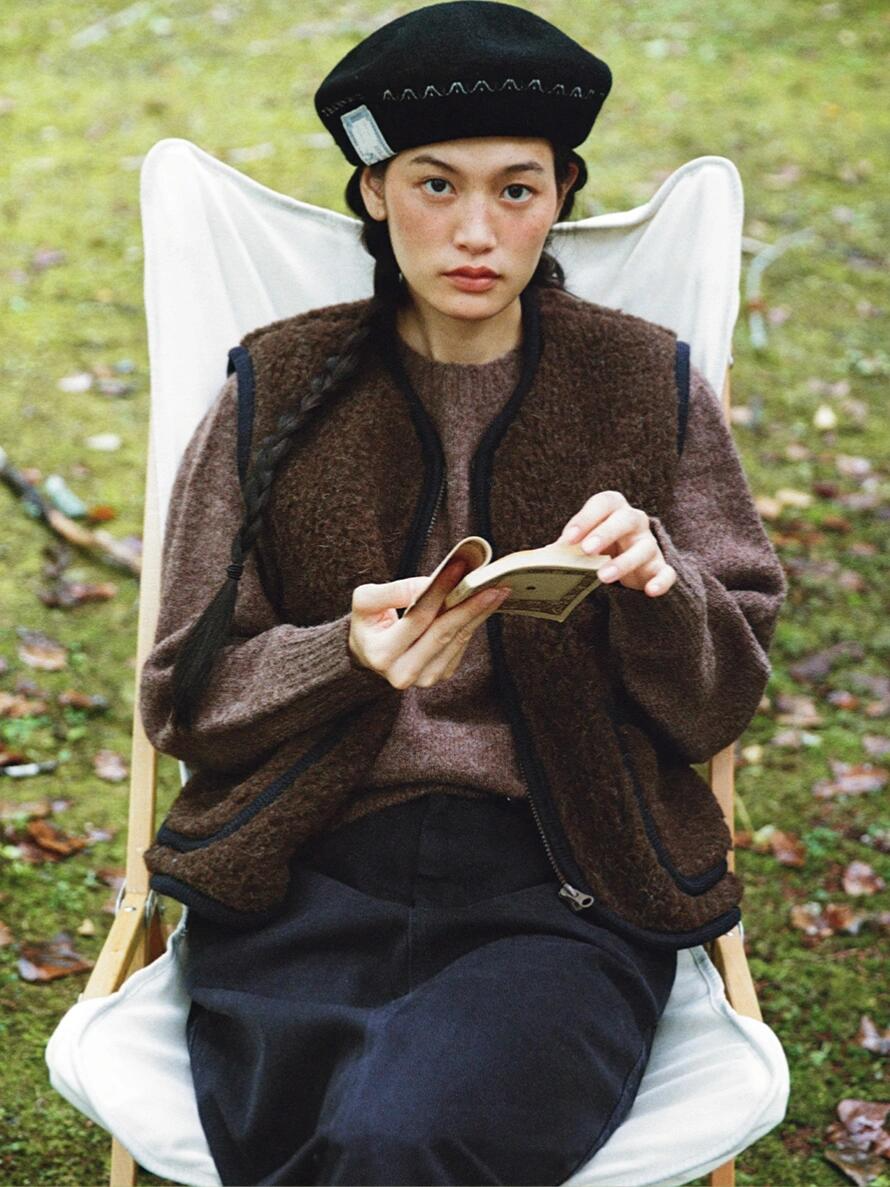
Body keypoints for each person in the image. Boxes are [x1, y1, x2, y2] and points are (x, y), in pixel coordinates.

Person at [137, 2, 787, 1183]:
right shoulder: (273, 388)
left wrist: (659, 587)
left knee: (400, 1134)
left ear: (560, 194)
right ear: (374, 191)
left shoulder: (645, 384)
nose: (476, 230)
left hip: (564, 883)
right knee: (340, 1130)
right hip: (305, 876)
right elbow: (183, 697)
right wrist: (340, 654)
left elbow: (718, 702)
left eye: (515, 189)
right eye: (434, 185)